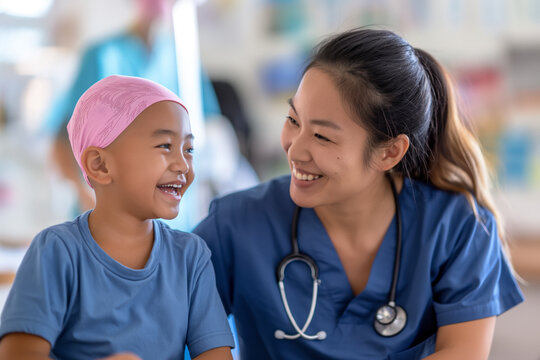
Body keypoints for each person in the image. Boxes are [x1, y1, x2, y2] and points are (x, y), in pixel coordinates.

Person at [193, 28, 524, 359]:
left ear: (389, 152)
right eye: (293, 120)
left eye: (322, 137)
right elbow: (165, 316)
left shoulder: (457, 228)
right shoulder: (235, 225)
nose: (295, 150)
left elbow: (462, 353)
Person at [0, 75, 234, 360]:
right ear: (99, 165)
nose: (183, 164)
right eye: (165, 146)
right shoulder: (56, 251)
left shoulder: (190, 257)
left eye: (189, 149)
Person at [47, 0, 222, 217]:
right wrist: (84, 193)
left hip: (175, 218)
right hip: (110, 218)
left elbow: (210, 131)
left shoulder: (184, 59)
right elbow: (61, 141)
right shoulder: (103, 56)